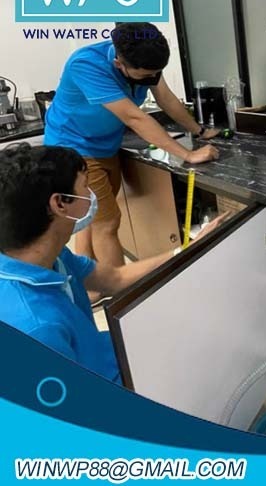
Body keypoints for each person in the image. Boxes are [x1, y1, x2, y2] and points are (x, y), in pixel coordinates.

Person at [0, 144, 227, 382]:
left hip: (105, 355)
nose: (91, 194)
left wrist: (188, 249)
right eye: (85, 186)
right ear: (59, 204)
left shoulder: (51, 257)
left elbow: (115, 279)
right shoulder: (37, 328)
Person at [44, 22, 220, 269]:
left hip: (105, 145)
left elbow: (166, 98)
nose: (153, 79)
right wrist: (187, 155)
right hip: (72, 146)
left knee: (91, 215)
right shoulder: (86, 64)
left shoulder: (144, 60)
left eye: (157, 73)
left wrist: (199, 131)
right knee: (108, 223)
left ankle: (88, 279)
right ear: (119, 65)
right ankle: (119, 288)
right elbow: (134, 118)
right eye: (147, 76)